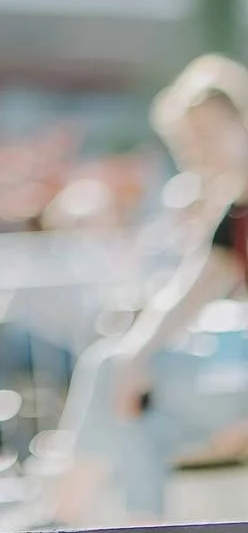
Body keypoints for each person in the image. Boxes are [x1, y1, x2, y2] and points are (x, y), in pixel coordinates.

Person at [45, 54, 248, 525]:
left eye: (206, 136)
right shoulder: (234, 215)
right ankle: (134, 522)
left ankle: (57, 517)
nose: (196, 154)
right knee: (129, 407)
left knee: (110, 375)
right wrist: (137, 356)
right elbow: (185, 296)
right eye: (186, 143)